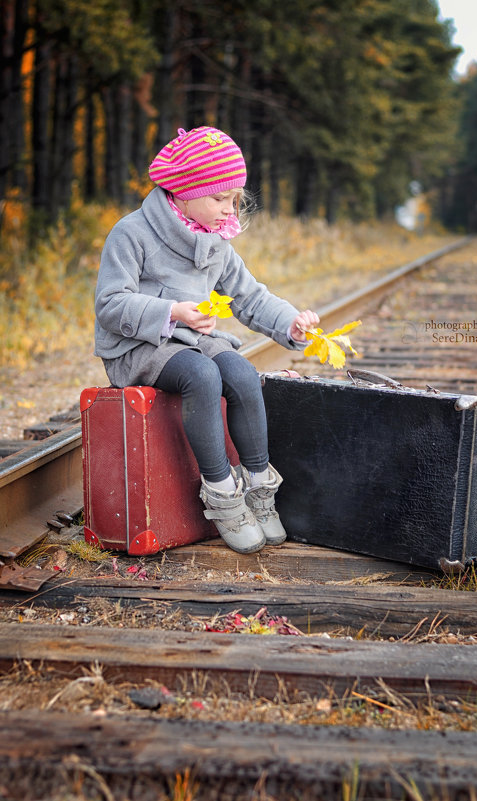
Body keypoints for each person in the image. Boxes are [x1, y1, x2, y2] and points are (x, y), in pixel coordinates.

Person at [94, 125, 319, 554]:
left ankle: (258, 487)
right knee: (201, 374)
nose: (229, 210)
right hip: (138, 346)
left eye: (234, 199)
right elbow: (109, 303)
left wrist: (290, 324)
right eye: (219, 198)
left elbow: (250, 296)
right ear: (183, 190)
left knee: (240, 372)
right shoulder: (132, 233)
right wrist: (171, 312)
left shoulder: (216, 242)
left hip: (191, 340)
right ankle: (222, 495)